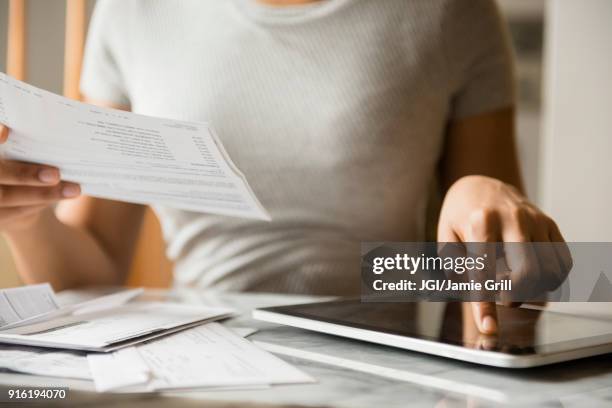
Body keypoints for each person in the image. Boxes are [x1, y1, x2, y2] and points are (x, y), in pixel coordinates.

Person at [0, 0, 569, 334]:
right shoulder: (133, 11)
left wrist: (476, 196)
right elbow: (92, 273)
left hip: (382, 365)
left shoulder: (451, 13)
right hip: (191, 355)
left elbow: (499, 291)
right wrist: (25, 218)